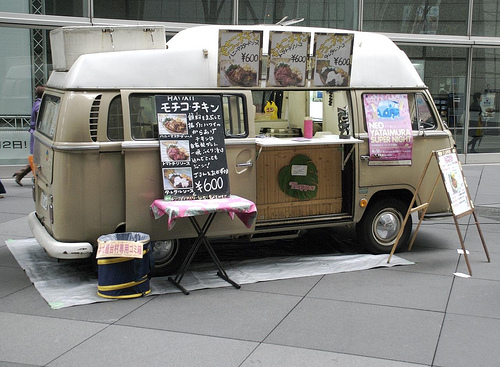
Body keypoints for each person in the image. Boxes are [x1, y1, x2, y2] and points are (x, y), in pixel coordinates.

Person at [13, 85, 45, 185]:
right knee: (39, 157)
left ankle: (21, 173)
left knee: (38, 156)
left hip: (35, 132)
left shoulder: (37, 103)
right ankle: (27, 175)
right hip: (38, 133)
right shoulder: (40, 105)